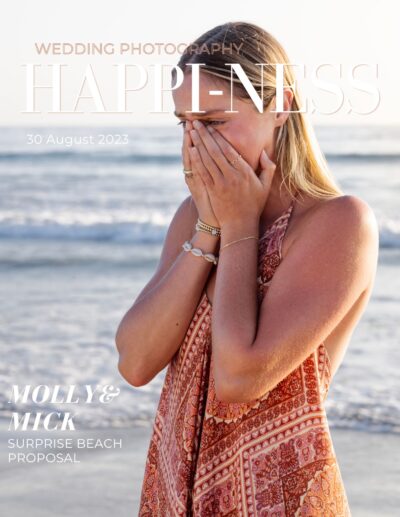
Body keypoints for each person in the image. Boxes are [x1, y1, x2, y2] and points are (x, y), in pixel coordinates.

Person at [115, 21, 379, 516]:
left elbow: (239, 378)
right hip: (175, 498)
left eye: (213, 122)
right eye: (184, 123)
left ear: (279, 105)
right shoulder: (195, 218)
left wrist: (238, 227)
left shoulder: (338, 222)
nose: (195, 144)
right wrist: (210, 229)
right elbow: (134, 361)